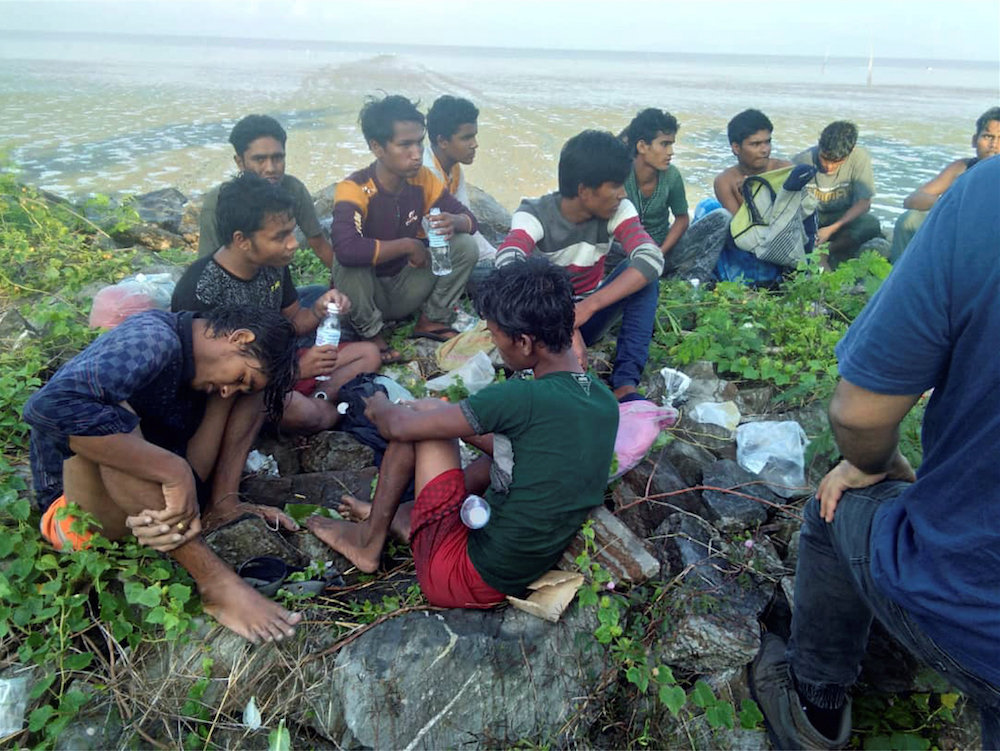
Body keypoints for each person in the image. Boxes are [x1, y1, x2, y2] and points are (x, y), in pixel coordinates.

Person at [749, 157, 1000, 750]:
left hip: (979, 609)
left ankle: (816, 706)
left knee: (834, 503)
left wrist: (873, 464)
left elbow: (858, 412)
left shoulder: (985, 196)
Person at [307, 257, 618, 607]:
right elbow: (526, 449)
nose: (494, 345)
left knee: (420, 424)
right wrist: (444, 415)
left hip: (460, 577)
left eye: (496, 336)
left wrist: (380, 403)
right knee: (450, 422)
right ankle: (405, 517)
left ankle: (368, 542)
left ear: (526, 343)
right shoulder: (602, 399)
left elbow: (395, 425)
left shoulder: (521, 396)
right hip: (517, 570)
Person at [23, 306, 305, 644]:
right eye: (239, 377)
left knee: (254, 392)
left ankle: (223, 506)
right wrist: (173, 471)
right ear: (239, 337)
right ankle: (213, 582)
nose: (229, 389)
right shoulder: (154, 338)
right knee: (109, 412)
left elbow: (242, 392)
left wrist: (185, 476)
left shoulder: (208, 372)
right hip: (80, 514)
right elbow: (47, 407)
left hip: (158, 501)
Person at [173, 173, 381, 433]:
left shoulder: (271, 264)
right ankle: (325, 412)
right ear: (242, 240)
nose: (293, 244)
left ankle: (320, 398)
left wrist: (318, 310)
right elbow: (211, 381)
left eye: (292, 233)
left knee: (368, 354)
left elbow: (292, 320)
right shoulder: (202, 289)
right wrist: (294, 371)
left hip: (283, 364)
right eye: (280, 236)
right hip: (244, 387)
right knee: (304, 414)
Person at [495, 130, 663, 402]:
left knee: (646, 278)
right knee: (515, 283)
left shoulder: (618, 210)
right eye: (616, 186)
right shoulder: (534, 214)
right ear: (584, 190)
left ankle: (625, 384)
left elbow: (651, 258)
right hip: (540, 321)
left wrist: (587, 307)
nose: (622, 194)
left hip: (585, 315)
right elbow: (507, 261)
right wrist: (564, 323)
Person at [330, 95, 479, 364]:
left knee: (465, 245)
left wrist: (454, 222)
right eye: (405, 145)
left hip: (405, 284)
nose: (417, 153)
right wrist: (408, 245)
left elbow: (469, 219)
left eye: (419, 142)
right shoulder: (355, 188)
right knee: (345, 263)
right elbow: (346, 248)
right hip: (366, 293)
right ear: (377, 147)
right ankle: (371, 333)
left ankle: (432, 319)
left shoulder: (423, 179)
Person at [198, 114, 334, 268]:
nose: (271, 168)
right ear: (240, 162)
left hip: (276, 282)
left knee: (319, 291)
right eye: (259, 160)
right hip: (236, 283)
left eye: (278, 158)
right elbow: (206, 267)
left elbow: (319, 245)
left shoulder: (293, 189)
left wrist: (343, 287)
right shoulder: (218, 201)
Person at [623, 107, 728, 282]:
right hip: (627, 251)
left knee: (721, 218)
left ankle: (693, 282)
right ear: (642, 146)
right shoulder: (620, 174)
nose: (671, 152)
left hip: (663, 251)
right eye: (664, 144)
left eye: (672, 144)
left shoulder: (672, 176)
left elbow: (682, 219)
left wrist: (659, 253)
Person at [889, 106, 1000, 261]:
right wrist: (953, 205)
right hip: (958, 230)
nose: (994, 144)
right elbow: (911, 200)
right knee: (910, 219)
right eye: (988, 136)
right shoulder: (962, 168)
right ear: (975, 141)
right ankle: (899, 280)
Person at [712, 109, 803, 285]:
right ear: (736, 148)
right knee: (708, 208)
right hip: (748, 247)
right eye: (755, 144)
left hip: (783, 246)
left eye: (767, 142)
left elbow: (794, 220)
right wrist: (749, 197)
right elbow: (741, 231)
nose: (764, 150)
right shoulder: (725, 181)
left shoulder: (785, 170)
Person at [423, 95, 498, 275]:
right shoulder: (426, 172)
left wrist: (497, 257)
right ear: (442, 141)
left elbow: (467, 218)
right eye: (466, 138)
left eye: (474, 136)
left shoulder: (454, 169)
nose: (475, 144)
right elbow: (436, 233)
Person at [793, 121, 883, 268]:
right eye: (824, 158)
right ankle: (813, 252)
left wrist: (832, 229)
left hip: (842, 216)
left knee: (870, 223)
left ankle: (827, 250)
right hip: (812, 215)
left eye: (836, 162)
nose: (829, 167)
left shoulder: (860, 159)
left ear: (850, 152)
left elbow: (864, 203)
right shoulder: (801, 161)